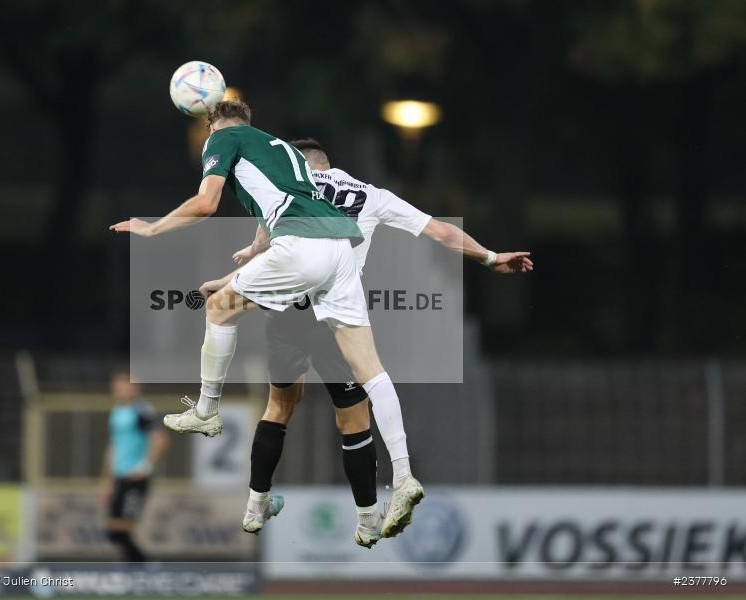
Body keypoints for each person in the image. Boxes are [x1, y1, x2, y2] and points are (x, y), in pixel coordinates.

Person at [109, 100, 423, 541]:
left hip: (299, 271)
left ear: (212, 124)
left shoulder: (223, 138)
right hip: (339, 253)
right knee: (369, 381)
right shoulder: (285, 152)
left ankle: (209, 415)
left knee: (224, 319)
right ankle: (401, 479)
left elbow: (207, 205)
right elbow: (285, 222)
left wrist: (152, 227)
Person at [200, 138, 533, 547]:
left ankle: (255, 505)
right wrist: (490, 257)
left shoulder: (287, 188)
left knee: (279, 406)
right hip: (336, 313)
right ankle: (369, 517)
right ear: (328, 163)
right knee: (355, 417)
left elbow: (274, 254)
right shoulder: (372, 196)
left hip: (287, 313)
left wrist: (225, 283)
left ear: (299, 163)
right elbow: (442, 231)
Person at [98, 368, 169, 562]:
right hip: (119, 476)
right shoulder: (117, 412)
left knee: (122, 529)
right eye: (117, 387)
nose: (119, 391)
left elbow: (161, 440)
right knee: (115, 532)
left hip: (135, 477)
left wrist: (144, 466)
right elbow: (113, 447)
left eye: (124, 387)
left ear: (135, 389)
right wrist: (106, 481)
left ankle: (145, 567)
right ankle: (140, 566)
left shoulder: (142, 411)